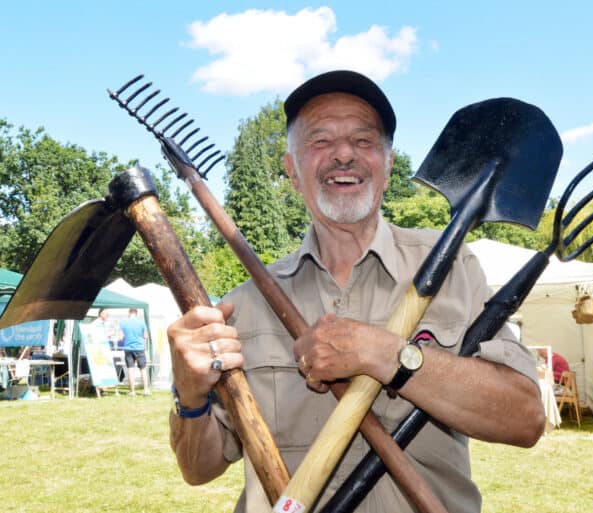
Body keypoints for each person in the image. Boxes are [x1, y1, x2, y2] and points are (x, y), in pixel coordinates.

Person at [166, 70, 545, 513]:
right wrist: (189, 398)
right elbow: (200, 469)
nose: (343, 154)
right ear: (291, 171)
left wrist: (391, 356)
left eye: (364, 141)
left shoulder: (453, 268)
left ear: (388, 164)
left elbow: (524, 418)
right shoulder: (244, 304)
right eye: (320, 141)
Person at [120, 308, 150, 396]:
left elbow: (121, 337)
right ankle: (146, 390)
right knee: (143, 369)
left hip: (128, 348)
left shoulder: (123, 323)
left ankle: (132, 391)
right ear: (136, 313)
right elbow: (146, 336)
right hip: (139, 348)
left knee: (130, 369)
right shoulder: (141, 322)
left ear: (129, 313)